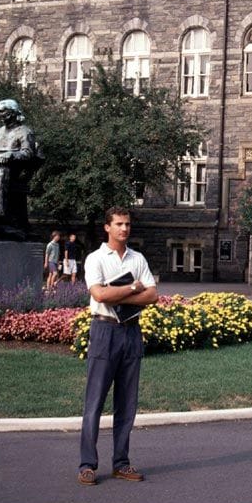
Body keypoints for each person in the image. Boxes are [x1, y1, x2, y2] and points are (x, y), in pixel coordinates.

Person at [78, 206, 157, 487]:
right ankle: (87, 464)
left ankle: (121, 463)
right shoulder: (96, 258)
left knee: (127, 402)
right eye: (119, 224)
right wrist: (133, 289)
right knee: (95, 402)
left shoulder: (137, 259)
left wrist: (119, 295)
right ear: (107, 228)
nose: (124, 229)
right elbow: (99, 293)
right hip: (103, 331)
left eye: (127, 224)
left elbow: (153, 296)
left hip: (131, 333)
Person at [0, 98, 41, 238]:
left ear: (12, 112)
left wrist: (11, 155)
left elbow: (28, 153)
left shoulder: (24, 131)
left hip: (13, 170)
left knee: (1, 172)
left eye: (2, 111)